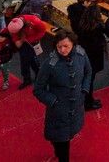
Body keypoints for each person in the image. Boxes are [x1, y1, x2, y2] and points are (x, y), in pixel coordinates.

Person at [33, 30, 92, 162]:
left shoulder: (81, 54)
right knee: (61, 141)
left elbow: (88, 72)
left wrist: (84, 91)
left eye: (66, 46)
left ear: (73, 44)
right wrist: (53, 101)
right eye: (59, 47)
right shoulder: (50, 63)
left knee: (67, 136)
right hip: (58, 111)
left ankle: (58, 153)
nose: (62, 50)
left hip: (77, 107)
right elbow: (38, 89)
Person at [70, 0, 104, 110]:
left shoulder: (76, 15)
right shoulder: (93, 25)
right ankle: (88, 102)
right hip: (92, 54)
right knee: (89, 77)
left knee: (85, 75)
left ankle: (85, 99)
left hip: (82, 50)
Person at [7, 14, 47, 90]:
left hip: (33, 42)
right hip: (23, 43)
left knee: (33, 60)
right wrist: (20, 40)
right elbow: (16, 40)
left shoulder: (35, 21)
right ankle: (26, 79)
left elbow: (42, 31)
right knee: (24, 61)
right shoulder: (14, 24)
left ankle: (39, 76)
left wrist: (30, 39)